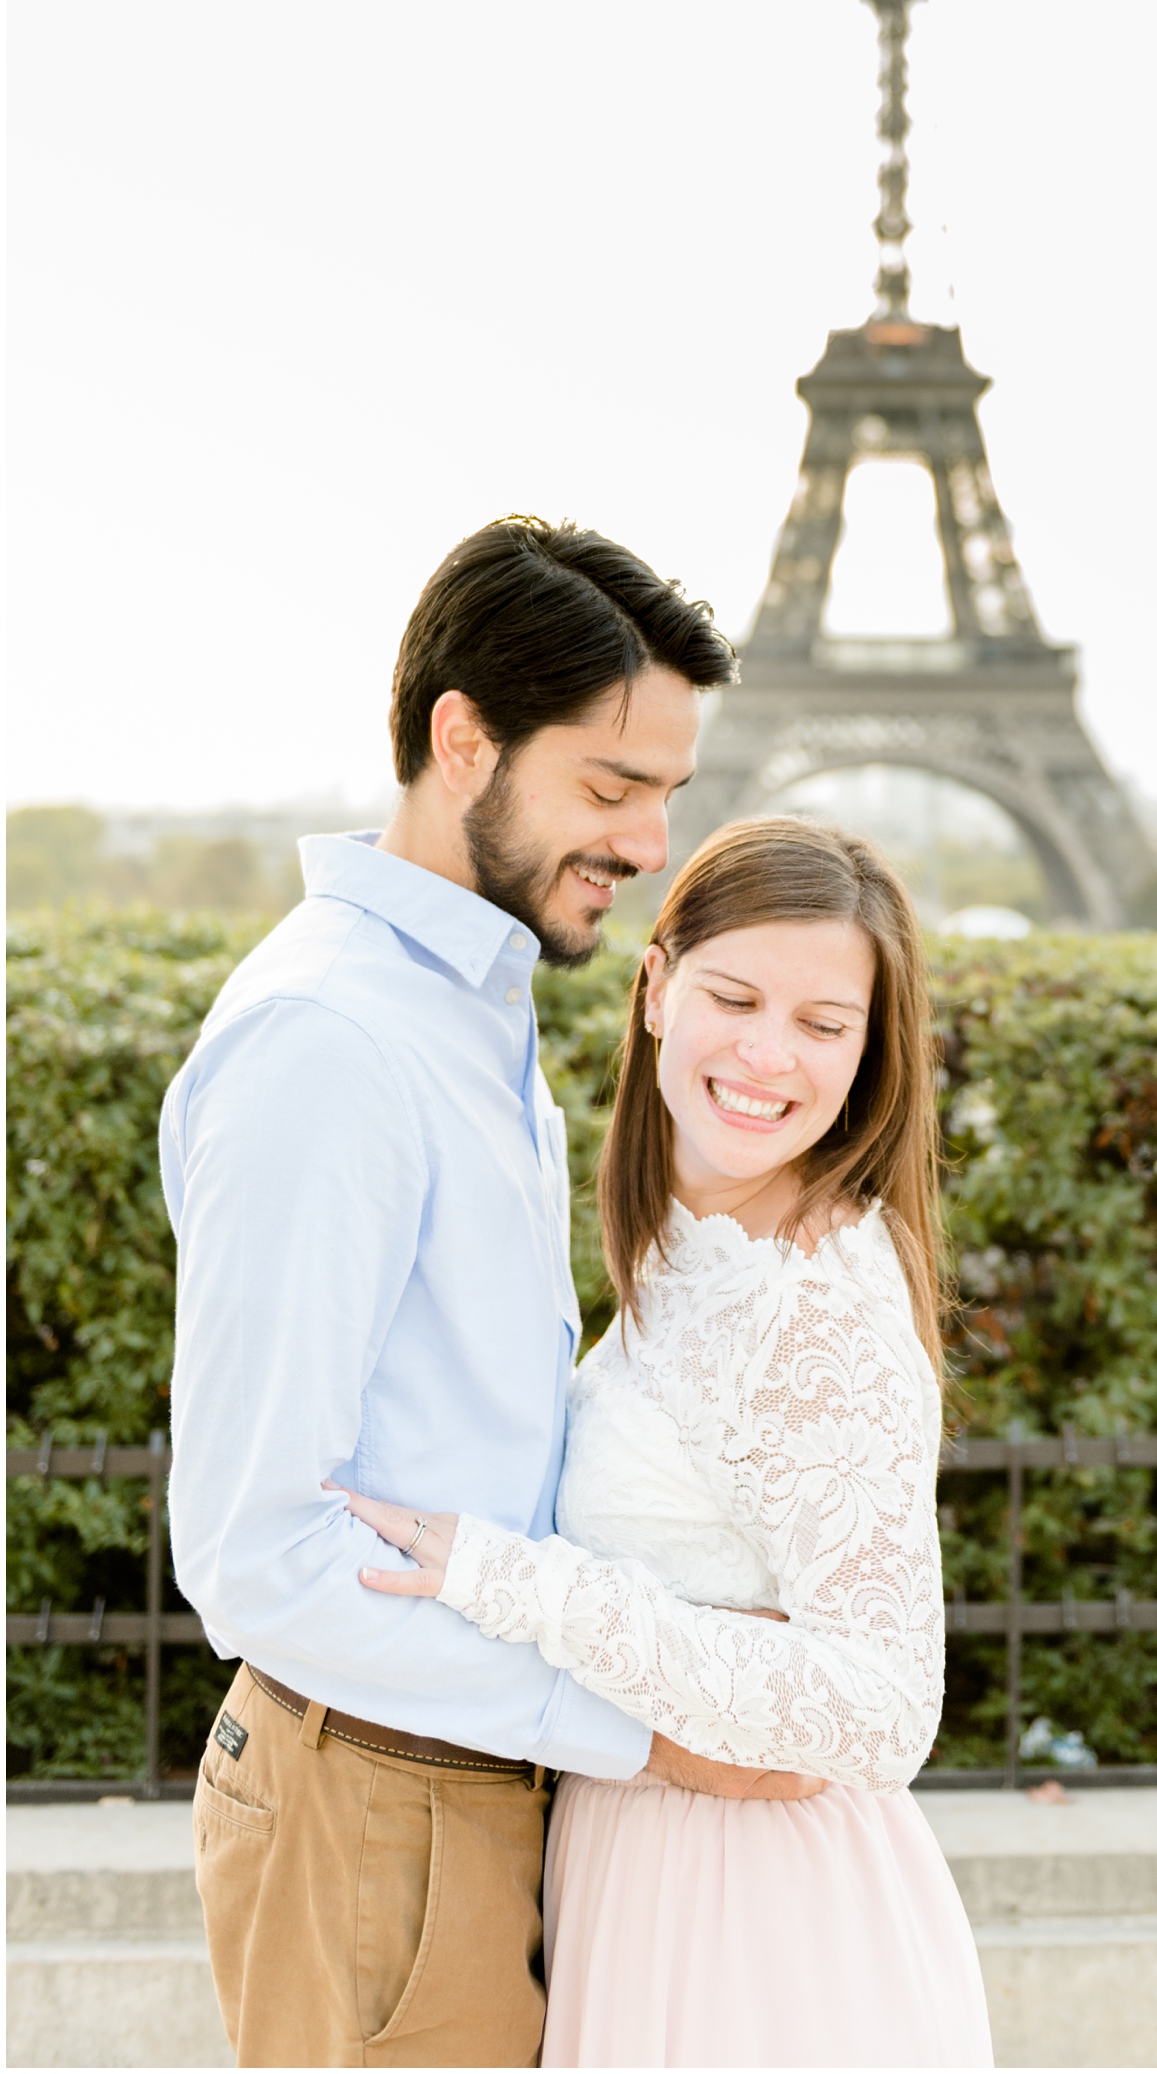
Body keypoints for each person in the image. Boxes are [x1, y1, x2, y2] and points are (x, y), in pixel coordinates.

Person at [162, 518, 824, 2073]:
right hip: (385, 1791)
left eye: (669, 791)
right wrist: (650, 1729)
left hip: (477, 1769)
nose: (654, 843)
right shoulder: (336, 1042)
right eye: (610, 788)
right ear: (464, 740)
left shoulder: (469, 1010)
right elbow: (258, 1551)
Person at [341, 815, 994, 2069]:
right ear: (655, 989)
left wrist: (518, 1582)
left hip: (760, 1920)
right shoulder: (690, 1248)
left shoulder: (813, 1298)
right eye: (735, 995)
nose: (768, 1052)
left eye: (823, 1023)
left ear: (870, 1053)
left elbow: (882, 1708)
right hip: (654, 1869)